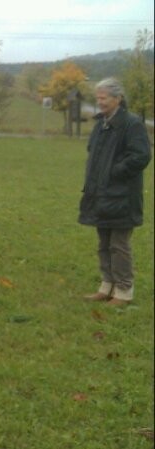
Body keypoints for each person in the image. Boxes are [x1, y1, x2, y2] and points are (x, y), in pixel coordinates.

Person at [79, 77, 151, 306]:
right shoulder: (101, 124)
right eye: (97, 98)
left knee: (119, 245)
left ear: (118, 98)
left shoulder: (132, 124)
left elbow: (141, 156)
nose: (99, 102)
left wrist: (114, 171)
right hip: (101, 194)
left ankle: (124, 291)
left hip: (122, 197)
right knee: (103, 243)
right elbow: (94, 153)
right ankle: (106, 286)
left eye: (104, 98)